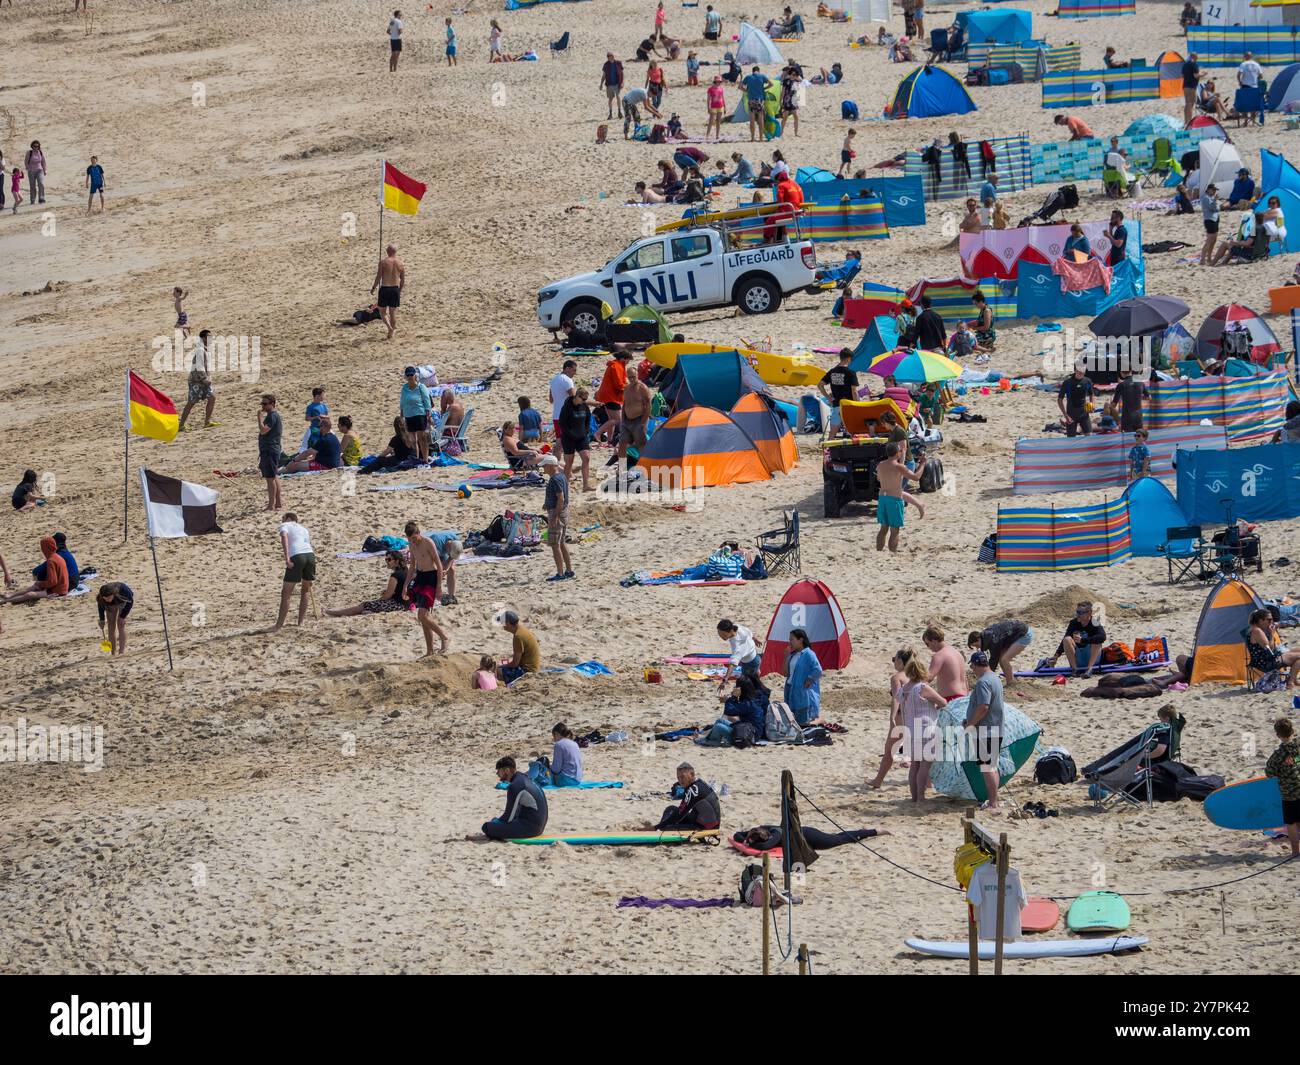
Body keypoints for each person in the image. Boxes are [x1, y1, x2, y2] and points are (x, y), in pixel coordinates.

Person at [898, 654, 947, 802]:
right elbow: (943, 702)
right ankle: (921, 796)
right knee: (925, 765)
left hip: (910, 729)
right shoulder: (922, 688)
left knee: (914, 765)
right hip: (926, 728)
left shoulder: (903, 690)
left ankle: (914, 797)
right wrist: (934, 705)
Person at [866, 648, 916, 789]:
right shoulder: (917, 675)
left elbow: (896, 698)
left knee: (889, 751)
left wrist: (892, 716)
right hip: (917, 717)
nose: (894, 662)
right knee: (919, 753)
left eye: (894, 659)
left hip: (901, 717)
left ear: (900, 661)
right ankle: (927, 782)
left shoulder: (897, 677)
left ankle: (878, 780)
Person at [965, 652, 1004, 810]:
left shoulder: (983, 682)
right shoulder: (995, 678)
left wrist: (971, 724)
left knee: (987, 767)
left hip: (985, 731)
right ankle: (995, 799)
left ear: (975, 664)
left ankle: (993, 802)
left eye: (972, 666)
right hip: (995, 728)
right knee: (992, 766)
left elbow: (983, 706)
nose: (972, 669)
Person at [405, 521, 448, 656]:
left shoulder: (428, 542)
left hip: (431, 578)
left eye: (414, 538)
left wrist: (439, 587)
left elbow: (439, 565)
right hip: (421, 578)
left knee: (422, 615)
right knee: (424, 618)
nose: (413, 541)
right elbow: (412, 566)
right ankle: (430, 651)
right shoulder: (411, 545)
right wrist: (405, 585)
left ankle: (444, 637)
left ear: (418, 533)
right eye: (410, 539)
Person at [482, 757, 549, 840]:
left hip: (532, 829)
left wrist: (495, 823)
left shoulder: (515, 786)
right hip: (540, 825)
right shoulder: (524, 778)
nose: (497, 774)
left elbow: (508, 817)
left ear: (506, 770)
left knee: (487, 827)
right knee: (495, 822)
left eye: (499, 771)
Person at [326, 550, 407, 617]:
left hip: (397, 605)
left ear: (397, 561)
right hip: (405, 604)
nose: (387, 562)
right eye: (386, 559)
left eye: (389, 560)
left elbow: (387, 596)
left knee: (364, 605)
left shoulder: (395, 575)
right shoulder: (406, 572)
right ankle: (370, 611)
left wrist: (377, 601)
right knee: (367, 607)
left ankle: (334, 613)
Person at [875, 441, 923, 552]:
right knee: (895, 530)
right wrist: (923, 464)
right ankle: (893, 553)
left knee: (883, 528)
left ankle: (878, 551)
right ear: (897, 453)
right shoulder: (898, 467)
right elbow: (916, 477)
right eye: (900, 451)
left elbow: (878, 479)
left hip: (882, 498)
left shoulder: (880, 465)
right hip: (894, 499)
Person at [271, 514, 315, 632]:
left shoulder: (285, 525)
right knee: (305, 590)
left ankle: (278, 625)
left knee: (286, 593)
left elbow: (284, 537)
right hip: (310, 556)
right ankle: (300, 622)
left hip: (297, 556)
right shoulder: (304, 529)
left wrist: (287, 558)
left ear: (286, 519)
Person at [1265, 718, 1300, 856]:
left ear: (1278, 735)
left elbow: (1269, 773)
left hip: (1289, 795)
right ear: (1293, 731)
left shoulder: (1278, 755)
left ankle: (1296, 852)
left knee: (1291, 823)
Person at [1045, 601, 1107, 677]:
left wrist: (1083, 640)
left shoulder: (1095, 623)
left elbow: (1103, 637)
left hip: (1093, 659)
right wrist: (1056, 656)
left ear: (1090, 613)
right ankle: (1075, 669)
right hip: (1078, 658)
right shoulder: (1073, 623)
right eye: (1077, 612)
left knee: (1097, 641)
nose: (1078, 615)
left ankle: (1089, 669)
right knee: (1067, 639)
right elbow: (1064, 641)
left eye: (1081, 612)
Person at [0, 537, 68, 605]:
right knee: (34, 587)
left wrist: (41, 583)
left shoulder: (51, 561)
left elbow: (52, 581)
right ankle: (10, 595)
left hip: (58, 591)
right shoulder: (57, 557)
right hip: (57, 587)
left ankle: (5, 600)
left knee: (30, 594)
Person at [655, 763, 721, 829]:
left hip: (706, 825)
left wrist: (657, 827)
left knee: (667, 827)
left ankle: (659, 831)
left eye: (683, 777)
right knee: (671, 809)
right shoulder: (698, 783)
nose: (680, 780)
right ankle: (660, 829)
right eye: (678, 778)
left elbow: (679, 815)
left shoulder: (694, 790)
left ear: (692, 774)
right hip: (700, 819)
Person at [967, 620, 1031, 688]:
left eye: (976, 645)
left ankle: (1011, 683)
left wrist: (985, 677)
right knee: (1001, 659)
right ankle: (1009, 680)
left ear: (979, 639)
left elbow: (994, 661)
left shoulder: (994, 640)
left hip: (1024, 633)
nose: (977, 648)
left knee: (1004, 659)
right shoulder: (986, 636)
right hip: (1012, 634)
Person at [1248, 609, 1300, 688]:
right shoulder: (1257, 631)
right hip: (1266, 662)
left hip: (1266, 657)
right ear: (1260, 621)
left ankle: (1293, 680)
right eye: (1269, 620)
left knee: (1298, 650)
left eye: (1272, 619)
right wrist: (1272, 634)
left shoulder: (1256, 628)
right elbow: (1270, 649)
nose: (1271, 622)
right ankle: (1290, 682)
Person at [540, 455, 573, 581]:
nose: (543, 468)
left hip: (558, 512)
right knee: (562, 542)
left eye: (544, 466)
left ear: (550, 466)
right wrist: (547, 504)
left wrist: (555, 517)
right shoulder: (562, 476)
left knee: (555, 544)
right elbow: (559, 497)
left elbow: (561, 498)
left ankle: (560, 573)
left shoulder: (555, 479)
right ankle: (569, 570)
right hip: (563, 511)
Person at [737, 824, 889, 851]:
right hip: (804, 832)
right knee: (838, 836)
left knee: (839, 839)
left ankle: (874, 831)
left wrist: (750, 845)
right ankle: (862, 830)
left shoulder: (776, 835)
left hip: (811, 838)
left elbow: (765, 847)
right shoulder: (761, 829)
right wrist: (745, 839)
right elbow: (737, 835)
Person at [782, 628, 823, 726]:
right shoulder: (792, 655)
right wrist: (786, 657)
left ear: (800, 640)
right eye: (789, 640)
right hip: (790, 690)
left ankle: (820, 720)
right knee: (792, 722)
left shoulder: (809, 654)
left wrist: (809, 680)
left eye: (792, 639)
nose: (790, 642)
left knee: (802, 724)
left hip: (802, 693)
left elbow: (818, 670)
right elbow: (785, 673)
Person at [179, 329, 217, 432]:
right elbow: (199, 366)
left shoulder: (206, 349)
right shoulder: (200, 350)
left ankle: (207, 422)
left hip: (204, 379)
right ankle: (181, 425)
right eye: (209, 337)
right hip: (196, 381)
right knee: (191, 402)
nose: (211, 339)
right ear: (203, 338)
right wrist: (204, 379)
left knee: (212, 397)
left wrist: (208, 378)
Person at [559, 386, 594, 491]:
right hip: (568, 438)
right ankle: (565, 486)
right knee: (569, 462)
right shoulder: (566, 407)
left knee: (586, 457)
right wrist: (571, 434)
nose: (584, 401)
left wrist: (586, 431)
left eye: (586, 400)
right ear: (577, 396)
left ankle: (586, 485)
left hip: (581, 437)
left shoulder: (584, 406)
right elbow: (562, 424)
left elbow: (588, 419)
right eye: (583, 399)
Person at [594, 350, 631, 443]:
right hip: (611, 396)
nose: (628, 362)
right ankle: (598, 433)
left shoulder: (616, 365)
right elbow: (618, 384)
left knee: (611, 419)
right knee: (617, 419)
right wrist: (628, 386)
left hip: (607, 395)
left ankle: (610, 440)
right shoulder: (616, 366)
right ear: (623, 358)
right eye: (628, 360)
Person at [818, 348, 857, 434]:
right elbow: (854, 391)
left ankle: (827, 447)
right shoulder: (851, 373)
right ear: (848, 359)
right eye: (850, 359)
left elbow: (820, 385)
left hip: (836, 405)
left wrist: (828, 398)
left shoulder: (832, 372)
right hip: (848, 405)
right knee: (851, 432)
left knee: (832, 433)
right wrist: (857, 404)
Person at [923, 625, 967, 701]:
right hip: (965, 697)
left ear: (934, 640)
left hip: (951, 698)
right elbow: (965, 679)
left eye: (927, 644)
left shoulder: (939, 655)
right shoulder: (957, 653)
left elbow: (928, 678)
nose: (928, 647)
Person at [496, 610, 540, 684]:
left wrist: (501, 666)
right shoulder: (521, 630)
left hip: (528, 671)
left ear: (508, 623)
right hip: (534, 667)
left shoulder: (518, 637)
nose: (502, 625)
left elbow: (515, 664)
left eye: (503, 623)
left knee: (497, 671)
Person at [618, 368, 652, 466]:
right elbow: (625, 404)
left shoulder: (642, 388)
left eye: (633, 377)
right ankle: (622, 470)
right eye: (629, 377)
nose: (632, 379)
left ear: (637, 375)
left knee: (641, 445)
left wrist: (644, 422)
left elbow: (648, 405)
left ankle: (645, 468)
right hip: (627, 421)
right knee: (622, 445)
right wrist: (623, 419)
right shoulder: (627, 388)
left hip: (639, 419)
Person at [371, 244, 405, 340]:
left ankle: (389, 328)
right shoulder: (401, 263)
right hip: (395, 289)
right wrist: (400, 290)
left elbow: (378, 277)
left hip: (385, 288)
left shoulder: (383, 262)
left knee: (382, 312)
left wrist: (373, 287)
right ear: (395, 252)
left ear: (388, 252)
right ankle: (392, 332)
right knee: (392, 313)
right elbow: (402, 280)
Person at [399, 366, 432, 465]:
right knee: (413, 439)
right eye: (408, 375)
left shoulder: (421, 387)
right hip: (409, 415)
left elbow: (427, 400)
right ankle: (416, 459)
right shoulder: (404, 388)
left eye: (411, 375)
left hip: (420, 414)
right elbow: (402, 401)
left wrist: (428, 412)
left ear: (415, 375)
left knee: (422, 437)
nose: (409, 377)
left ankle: (425, 459)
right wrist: (401, 413)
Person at [717, 618, 761, 689]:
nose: (721, 636)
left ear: (730, 631)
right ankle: (756, 673)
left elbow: (732, 664)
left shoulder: (738, 645)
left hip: (750, 664)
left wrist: (725, 680)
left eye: (723, 634)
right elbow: (748, 632)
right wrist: (755, 639)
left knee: (746, 687)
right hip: (754, 656)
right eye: (719, 633)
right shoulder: (736, 627)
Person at [1057, 362, 1093, 437]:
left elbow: (1091, 394)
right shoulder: (1067, 383)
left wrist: (1091, 404)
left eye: (1083, 373)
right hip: (1071, 414)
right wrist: (1065, 415)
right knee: (1071, 439)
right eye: (1079, 372)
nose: (1081, 374)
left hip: (1084, 413)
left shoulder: (1087, 381)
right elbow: (1060, 399)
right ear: (1075, 370)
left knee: (1089, 435)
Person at [428, 529, 463, 604]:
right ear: (448, 548)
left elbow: (451, 557)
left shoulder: (456, 541)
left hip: (443, 551)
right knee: (435, 571)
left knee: (451, 570)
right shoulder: (436, 543)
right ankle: (435, 593)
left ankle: (451, 596)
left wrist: (446, 568)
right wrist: (442, 569)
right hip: (430, 552)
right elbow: (435, 562)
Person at [742, 65, 772, 142]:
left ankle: (752, 138)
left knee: (752, 120)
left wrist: (747, 91)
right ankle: (761, 138)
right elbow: (771, 84)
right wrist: (764, 88)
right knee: (760, 119)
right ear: (758, 71)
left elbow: (739, 86)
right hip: (760, 100)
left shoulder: (748, 77)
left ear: (752, 71)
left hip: (751, 100)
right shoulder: (762, 76)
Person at [1200, 181, 1221, 265]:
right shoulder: (1206, 198)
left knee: (1214, 240)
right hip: (1210, 220)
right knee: (1209, 240)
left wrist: (1215, 201)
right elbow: (1213, 208)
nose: (1215, 191)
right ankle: (1202, 259)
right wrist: (1215, 201)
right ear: (1208, 190)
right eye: (1213, 190)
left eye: (1215, 190)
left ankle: (1209, 257)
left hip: (1215, 219)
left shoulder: (1211, 198)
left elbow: (1218, 208)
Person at [600, 52, 625, 120]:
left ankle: (619, 112)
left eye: (611, 56)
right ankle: (610, 113)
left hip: (617, 83)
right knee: (610, 99)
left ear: (613, 56)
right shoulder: (606, 65)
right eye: (608, 57)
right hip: (609, 84)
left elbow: (622, 73)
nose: (610, 58)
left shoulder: (618, 63)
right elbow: (604, 75)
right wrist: (601, 84)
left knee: (618, 97)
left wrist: (622, 82)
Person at [24, 140, 46, 205]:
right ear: (32, 146)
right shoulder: (29, 152)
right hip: (31, 171)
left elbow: (43, 162)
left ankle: (41, 198)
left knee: (41, 183)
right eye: (34, 146)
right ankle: (32, 199)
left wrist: (45, 170)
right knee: (32, 186)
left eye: (37, 146)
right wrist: (28, 168)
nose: (36, 147)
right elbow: (26, 161)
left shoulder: (40, 152)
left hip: (40, 170)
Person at [705, 75, 726, 141]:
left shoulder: (721, 88)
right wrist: (708, 108)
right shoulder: (710, 89)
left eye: (720, 81)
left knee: (718, 121)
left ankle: (717, 135)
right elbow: (708, 99)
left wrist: (725, 107)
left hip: (720, 106)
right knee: (711, 121)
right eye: (718, 81)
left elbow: (723, 98)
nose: (719, 83)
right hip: (713, 107)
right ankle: (707, 135)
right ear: (715, 81)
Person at [1182, 52, 1201, 126]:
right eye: (1197, 57)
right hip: (1192, 86)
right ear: (1194, 57)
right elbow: (1196, 76)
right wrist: (1203, 74)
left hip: (1185, 86)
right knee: (1191, 104)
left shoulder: (1185, 64)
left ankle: (1186, 120)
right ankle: (1189, 121)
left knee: (1187, 103)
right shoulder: (1194, 64)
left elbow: (1183, 75)